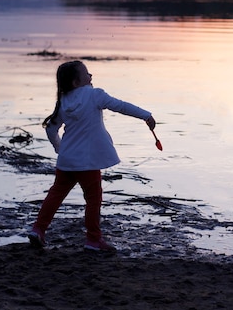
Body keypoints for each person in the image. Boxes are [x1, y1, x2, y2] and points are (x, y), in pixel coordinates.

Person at [28, 60, 156, 252]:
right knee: (93, 199)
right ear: (75, 82)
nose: (91, 76)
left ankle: (38, 229)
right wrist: (146, 116)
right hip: (88, 162)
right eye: (87, 73)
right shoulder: (95, 95)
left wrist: (59, 148)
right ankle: (93, 239)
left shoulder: (64, 101)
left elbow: (51, 128)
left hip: (67, 160)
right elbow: (120, 106)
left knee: (56, 194)